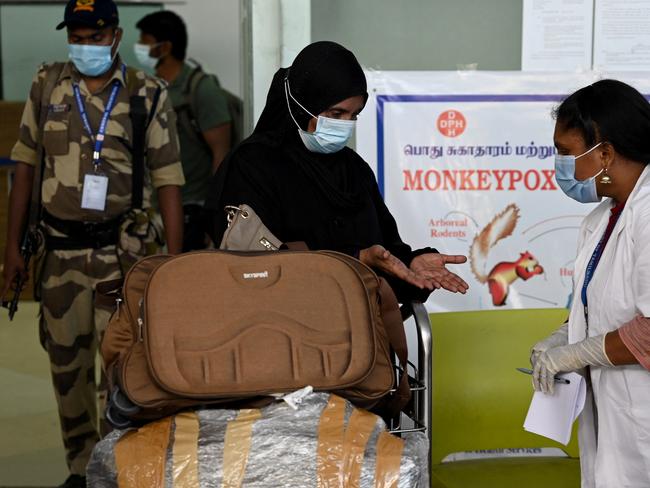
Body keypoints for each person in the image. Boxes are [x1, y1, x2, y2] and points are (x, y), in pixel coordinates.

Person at [0, 1, 184, 486]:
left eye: (94, 38)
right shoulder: (48, 85)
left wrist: (175, 264)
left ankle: (115, 468)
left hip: (123, 255)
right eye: (76, 37)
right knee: (66, 371)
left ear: (116, 37)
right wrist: (12, 250)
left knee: (122, 371)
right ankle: (81, 470)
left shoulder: (146, 93)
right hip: (58, 256)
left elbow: (169, 180)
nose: (85, 47)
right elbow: (25, 167)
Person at [207, 41, 468, 301]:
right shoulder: (252, 165)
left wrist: (411, 263)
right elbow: (251, 266)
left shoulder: (354, 170)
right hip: (281, 328)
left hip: (360, 326)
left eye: (354, 115)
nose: (345, 125)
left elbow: (385, 253)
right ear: (300, 105)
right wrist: (356, 259)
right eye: (336, 113)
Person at [530, 79, 650, 487]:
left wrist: (575, 354)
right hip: (612, 414)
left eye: (566, 153)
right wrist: (561, 339)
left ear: (606, 153)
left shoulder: (648, 215)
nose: (561, 167)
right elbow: (596, 306)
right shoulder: (602, 218)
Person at [135, 11, 232, 251]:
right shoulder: (150, 88)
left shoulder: (200, 89)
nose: (139, 48)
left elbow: (222, 154)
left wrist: (214, 215)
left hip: (192, 207)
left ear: (164, 47)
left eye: (144, 43)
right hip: (155, 207)